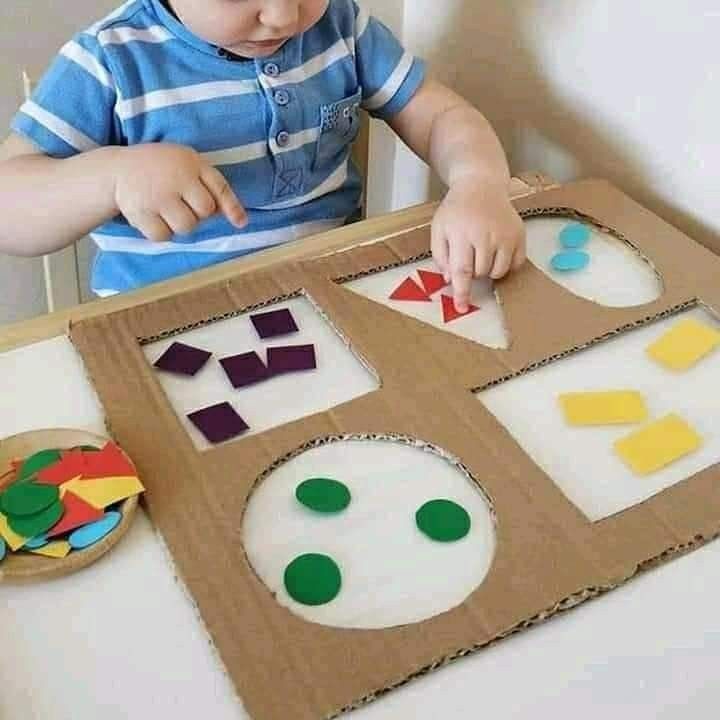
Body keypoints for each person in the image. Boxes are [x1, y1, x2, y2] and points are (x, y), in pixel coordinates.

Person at [0, 0, 525, 310]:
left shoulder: (340, 27)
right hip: (163, 328)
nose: (282, 15)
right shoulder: (108, 62)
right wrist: (108, 178)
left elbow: (438, 113)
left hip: (328, 300)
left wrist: (478, 183)